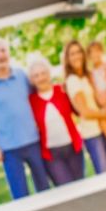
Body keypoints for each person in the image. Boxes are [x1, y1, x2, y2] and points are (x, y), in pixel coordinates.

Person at [0, 37, 51, 199]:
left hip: (33, 142)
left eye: (3, 50)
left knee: (44, 189)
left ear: (9, 53)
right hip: (9, 150)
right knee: (20, 196)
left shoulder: (22, 76)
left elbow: (39, 98)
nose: (0, 55)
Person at [26, 53, 85, 186]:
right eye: (36, 75)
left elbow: (78, 110)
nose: (41, 78)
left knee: (81, 186)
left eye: (43, 73)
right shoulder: (31, 101)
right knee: (65, 188)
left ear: (49, 73)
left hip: (73, 148)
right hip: (52, 155)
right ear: (32, 80)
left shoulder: (62, 90)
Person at [62, 41, 106, 173]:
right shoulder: (73, 80)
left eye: (78, 52)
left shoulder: (87, 76)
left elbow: (99, 100)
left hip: (104, 129)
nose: (76, 56)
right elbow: (85, 112)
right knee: (105, 174)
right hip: (93, 135)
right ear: (67, 59)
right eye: (72, 54)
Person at [87, 41, 106, 108]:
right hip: (100, 101)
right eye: (92, 52)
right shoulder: (91, 73)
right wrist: (99, 100)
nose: (95, 54)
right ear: (89, 56)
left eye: (97, 51)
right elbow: (94, 88)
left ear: (101, 52)